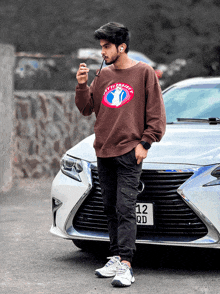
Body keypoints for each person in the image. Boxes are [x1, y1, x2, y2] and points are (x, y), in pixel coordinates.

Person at [75, 22, 166, 287]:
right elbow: (87, 108)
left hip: (129, 151)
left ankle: (126, 265)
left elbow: (157, 114)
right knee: (110, 208)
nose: (102, 52)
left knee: (126, 208)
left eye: (106, 47)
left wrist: (145, 143)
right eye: (101, 47)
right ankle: (114, 256)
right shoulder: (103, 75)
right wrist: (82, 85)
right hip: (103, 150)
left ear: (121, 47)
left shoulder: (144, 73)